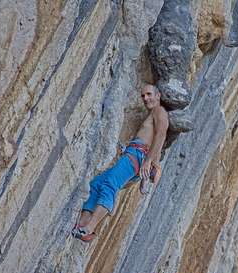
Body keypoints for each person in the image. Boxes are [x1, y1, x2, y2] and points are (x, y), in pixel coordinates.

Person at [71, 84, 169, 243]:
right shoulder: (151, 116)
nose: (146, 98)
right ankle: (81, 225)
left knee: (110, 185)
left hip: (137, 155)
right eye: (143, 95)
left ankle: (89, 228)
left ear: (158, 96)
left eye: (149, 94)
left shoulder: (160, 111)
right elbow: (157, 143)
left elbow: (161, 137)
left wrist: (147, 162)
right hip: (135, 156)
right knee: (96, 184)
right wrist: (145, 176)